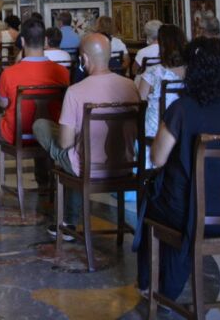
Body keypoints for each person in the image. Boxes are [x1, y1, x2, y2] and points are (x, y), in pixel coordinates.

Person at [135, 37, 220, 302]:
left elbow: (158, 157)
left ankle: (153, 286)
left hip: (187, 213)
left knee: (154, 203)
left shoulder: (182, 109)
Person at [33, 33, 140, 238]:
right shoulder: (131, 86)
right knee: (78, 148)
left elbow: (65, 143)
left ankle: (68, 221)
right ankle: (67, 220)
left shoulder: (75, 91)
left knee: (44, 129)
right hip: (124, 166)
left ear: (84, 59)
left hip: (86, 167)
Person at [0, 17, 69, 198]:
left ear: (22, 41)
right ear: (45, 41)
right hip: (48, 132)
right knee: (43, 122)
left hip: (16, 131)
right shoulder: (62, 72)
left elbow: (3, 103)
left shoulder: (10, 73)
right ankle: (45, 183)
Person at [138, 24, 186, 142]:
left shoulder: (153, 72)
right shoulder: (192, 71)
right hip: (185, 128)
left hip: (156, 130)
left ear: (162, 46)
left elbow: (140, 102)